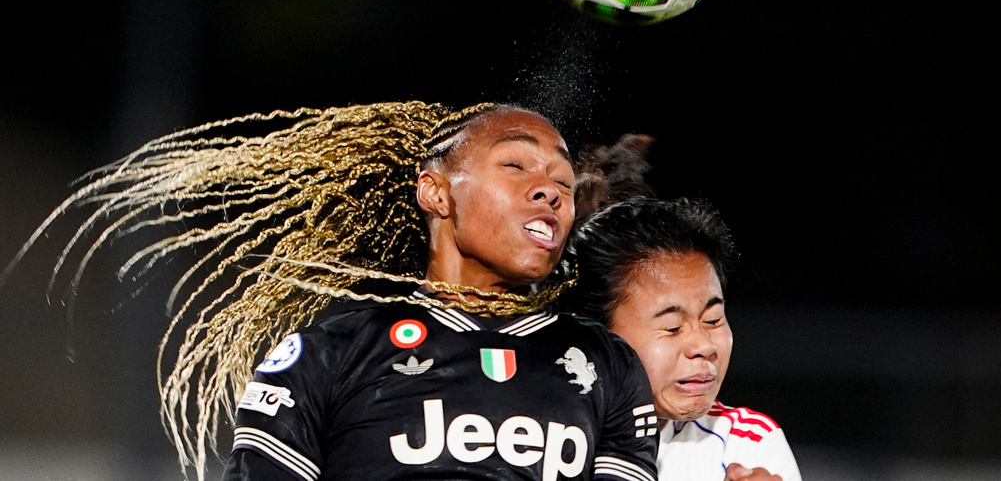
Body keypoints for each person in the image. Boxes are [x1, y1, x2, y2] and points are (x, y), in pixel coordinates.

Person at [11, 101, 658, 481]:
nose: (549, 188)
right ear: (434, 191)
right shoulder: (333, 352)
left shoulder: (604, 364)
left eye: (562, 181)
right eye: (515, 165)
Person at [563, 193, 801, 481]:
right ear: (595, 335)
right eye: (673, 327)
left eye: (713, 320)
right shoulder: (530, 433)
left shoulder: (747, 448)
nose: (704, 346)